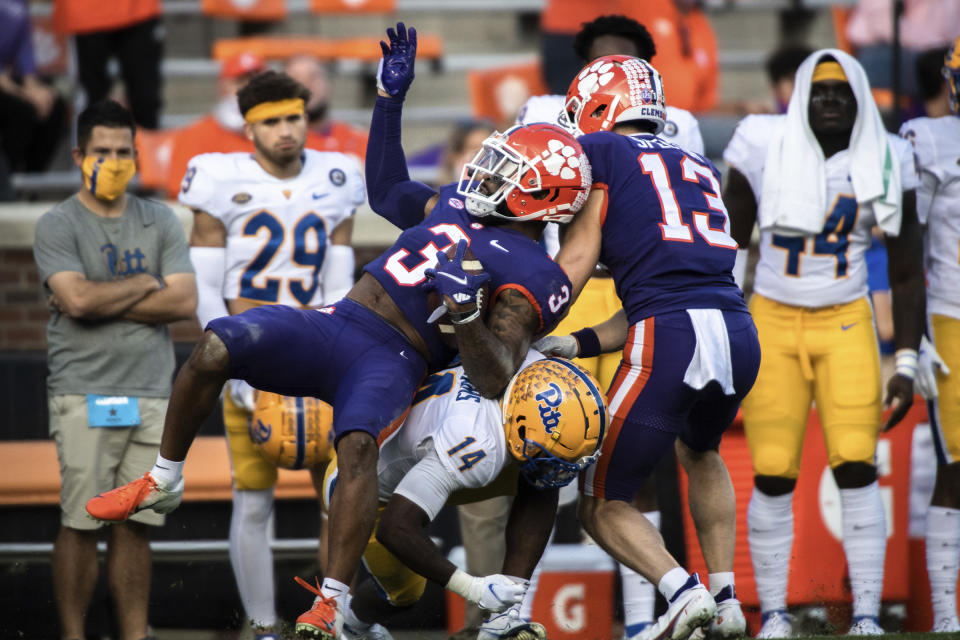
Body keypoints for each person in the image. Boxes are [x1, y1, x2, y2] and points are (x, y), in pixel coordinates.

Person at [85, 22, 588, 640]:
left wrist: (461, 316)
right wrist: (388, 101)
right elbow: (386, 190)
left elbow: (493, 376)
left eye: (508, 169)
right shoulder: (460, 202)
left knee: (355, 447)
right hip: (338, 319)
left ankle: (330, 602)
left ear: (544, 198)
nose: (488, 172)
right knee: (218, 342)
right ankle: (164, 479)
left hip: (398, 355)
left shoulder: (535, 272)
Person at [538, 54, 761, 640]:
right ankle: (726, 597)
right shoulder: (693, 159)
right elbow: (662, 290)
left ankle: (682, 595)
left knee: (601, 499)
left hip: (672, 333)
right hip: (736, 327)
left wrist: (530, 311)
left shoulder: (604, 153)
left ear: (599, 106)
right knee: (701, 450)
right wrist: (580, 340)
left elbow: (580, 259)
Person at [722, 49, 925, 637]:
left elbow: (908, 269)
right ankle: (776, 614)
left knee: (858, 466)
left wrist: (907, 360)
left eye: (841, 91)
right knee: (774, 471)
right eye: (819, 90)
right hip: (773, 321)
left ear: (860, 96)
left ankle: (864, 614)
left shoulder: (888, 156)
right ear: (801, 95)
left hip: (845, 322)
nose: (830, 100)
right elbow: (731, 245)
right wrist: (730, 330)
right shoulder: (763, 141)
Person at [181, 69, 362, 639]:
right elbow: (206, 287)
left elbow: (339, 281)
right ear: (248, 128)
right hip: (252, 355)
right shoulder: (217, 178)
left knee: (339, 497)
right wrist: (229, 358)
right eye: (272, 121)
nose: (286, 131)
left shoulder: (338, 175)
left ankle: (335, 621)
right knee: (254, 498)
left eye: (294, 117)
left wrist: (334, 354)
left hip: (313, 351)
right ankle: (262, 625)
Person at [33, 99, 197, 640]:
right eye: (101, 151)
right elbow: (75, 300)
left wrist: (97, 297)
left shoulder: (160, 220)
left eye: (123, 152)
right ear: (80, 155)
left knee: (136, 526)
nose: (113, 160)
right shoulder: (57, 224)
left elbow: (183, 303)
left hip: (151, 390)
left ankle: (133, 634)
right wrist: (146, 283)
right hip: (83, 390)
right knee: (81, 521)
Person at [310, 353, 606, 640]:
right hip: (362, 487)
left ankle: (504, 618)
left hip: (439, 447)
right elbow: (396, 527)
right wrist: (473, 589)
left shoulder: (532, 364)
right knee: (403, 594)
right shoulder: (478, 443)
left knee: (542, 479)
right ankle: (353, 625)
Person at [899, 36, 960, 635]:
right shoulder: (929, 139)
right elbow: (909, 250)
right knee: (956, 465)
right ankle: (946, 617)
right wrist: (912, 338)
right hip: (953, 314)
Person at [164, 51, 266, 199]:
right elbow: (180, 193)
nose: (249, 90)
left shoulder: (280, 132)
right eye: (240, 82)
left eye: (256, 83)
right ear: (222, 87)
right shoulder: (196, 135)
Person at [52, 0, 164, 129]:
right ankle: (88, 147)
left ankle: (147, 148)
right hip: (85, 13)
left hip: (139, 10)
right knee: (91, 101)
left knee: (146, 99)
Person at [0, 0, 67, 175]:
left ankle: (32, 182)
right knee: (22, 111)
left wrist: (36, 89)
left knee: (55, 105)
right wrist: (25, 95)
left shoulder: (20, 5)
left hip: (8, 79)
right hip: (3, 82)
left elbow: (25, 55)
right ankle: (8, 181)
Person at [285, 55, 368, 163]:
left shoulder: (358, 142)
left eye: (313, 77)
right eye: (296, 78)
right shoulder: (266, 145)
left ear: (329, 83)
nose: (306, 84)